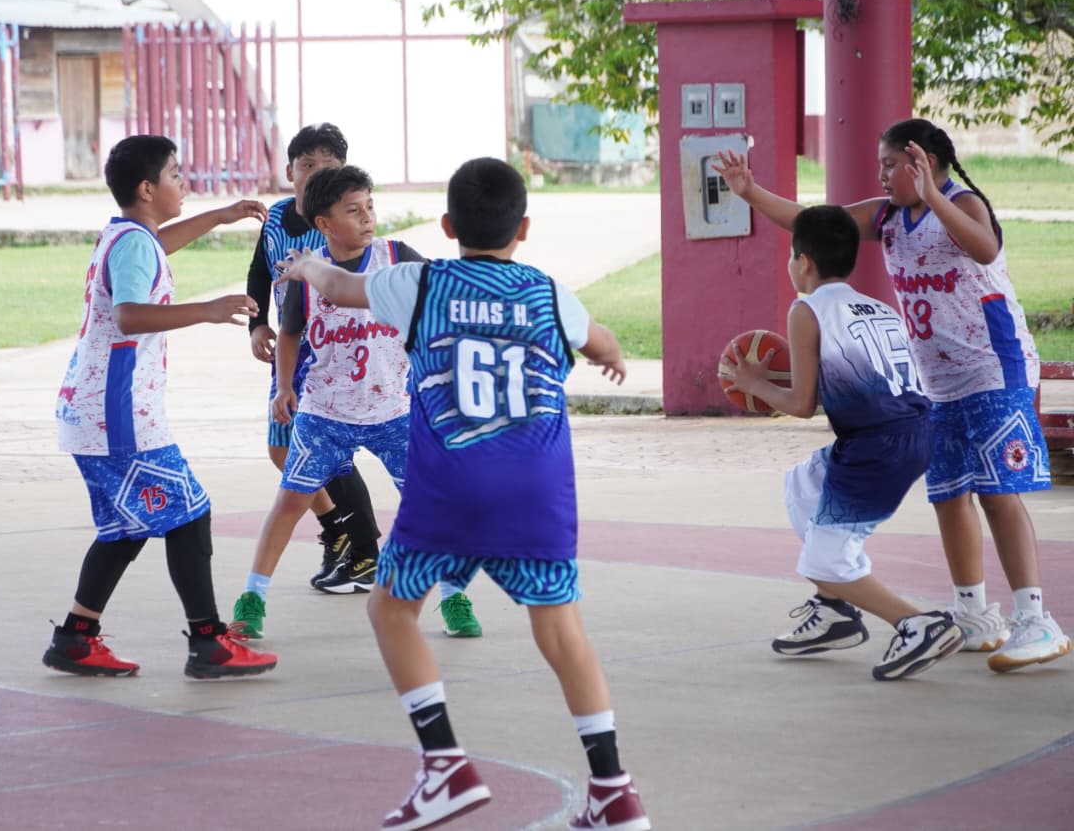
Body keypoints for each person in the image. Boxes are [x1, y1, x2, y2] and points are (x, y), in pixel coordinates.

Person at [275, 157, 651, 831]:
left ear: (447, 225)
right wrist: (611, 354)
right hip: (536, 488)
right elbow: (602, 339)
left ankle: (445, 763)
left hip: (450, 485)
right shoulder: (550, 294)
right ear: (524, 227)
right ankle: (614, 789)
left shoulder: (417, 282)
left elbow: (337, 284)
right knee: (563, 632)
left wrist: (305, 268)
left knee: (392, 609)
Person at [714, 118, 1071, 674]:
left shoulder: (965, 203)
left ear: (921, 162)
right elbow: (816, 225)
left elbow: (984, 249)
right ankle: (973, 612)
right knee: (949, 496)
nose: (881, 175)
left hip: (993, 368)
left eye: (890, 164)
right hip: (935, 382)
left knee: (998, 493)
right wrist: (750, 192)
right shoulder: (887, 216)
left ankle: (1036, 619)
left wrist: (934, 196)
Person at [44, 134, 277, 680]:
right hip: (117, 415)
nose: (184, 183)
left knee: (126, 527)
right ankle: (209, 642)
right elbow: (128, 315)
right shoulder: (132, 245)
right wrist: (207, 309)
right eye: (176, 175)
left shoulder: (131, 234)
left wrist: (220, 216)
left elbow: (160, 244)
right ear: (148, 189)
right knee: (190, 513)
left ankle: (76, 638)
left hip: (98, 411)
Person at [234, 165, 481, 639]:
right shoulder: (308, 276)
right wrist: (285, 387)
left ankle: (455, 597)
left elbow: (438, 306)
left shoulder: (397, 258)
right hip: (325, 414)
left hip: (395, 413)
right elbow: (289, 334)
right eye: (353, 210)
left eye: (370, 206)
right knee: (289, 503)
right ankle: (252, 597)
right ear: (324, 223)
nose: (367, 217)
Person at [720, 205, 964, 680]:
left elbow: (801, 403)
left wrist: (753, 382)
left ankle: (917, 624)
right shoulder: (878, 306)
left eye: (792, 257)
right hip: (914, 431)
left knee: (824, 559)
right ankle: (834, 612)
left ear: (803, 262)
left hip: (877, 446)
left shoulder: (806, 308)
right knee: (803, 485)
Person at [243, 122, 386, 598]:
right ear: (290, 171)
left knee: (328, 449)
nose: (316, 174)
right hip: (293, 345)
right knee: (283, 449)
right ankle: (337, 528)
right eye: (307, 165)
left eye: (329, 166)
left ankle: (364, 548)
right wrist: (256, 322)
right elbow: (260, 271)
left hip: (340, 357)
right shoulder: (279, 220)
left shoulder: (353, 227)